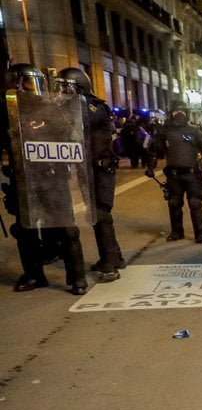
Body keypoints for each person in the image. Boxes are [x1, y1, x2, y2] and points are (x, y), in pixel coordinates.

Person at [3, 63, 90, 295]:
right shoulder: (9, 112)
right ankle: (34, 274)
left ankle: (77, 276)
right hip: (24, 179)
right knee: (25, 230)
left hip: (53, 176)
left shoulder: (52, 109)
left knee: (66, 229)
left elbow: (73, 140)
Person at [54, 67, 125, 281]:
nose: (62, 91)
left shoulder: (94, 107)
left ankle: (110, 264)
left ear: (79, 86)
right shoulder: (74, 106)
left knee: (100, 214)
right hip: (86, 169)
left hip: (101, 168)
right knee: (95, 215)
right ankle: (114, 257)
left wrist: (58, 108)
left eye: (67, 86)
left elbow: (81, 122)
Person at [145, 102, 202, 243]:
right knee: (174, 203)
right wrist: (150, 167)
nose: (178, 114)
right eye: (176, 111)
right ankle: (177, 231)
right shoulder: (165, 132)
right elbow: (154, 150)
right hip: (173, 174)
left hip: (192, 174)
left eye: (181, 111)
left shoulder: (193, 131)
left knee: (195, 203)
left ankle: (200, 234)